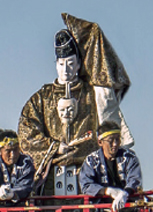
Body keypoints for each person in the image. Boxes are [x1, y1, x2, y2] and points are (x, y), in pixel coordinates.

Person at [19, 15, 133, 196]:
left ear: (79, 64)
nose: (66, 70)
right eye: (62, 64)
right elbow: (26, 131)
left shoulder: (94, 94)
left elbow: (108, 128)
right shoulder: (42, 98)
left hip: (89, 176)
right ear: (56, 64)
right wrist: (54, 147)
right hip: (51, 178)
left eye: (71, 64)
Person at [78, 122, 142, 212]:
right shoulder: (91, 160)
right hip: (100, 208)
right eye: (111, 140)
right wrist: (108, 191)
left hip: (127, 204)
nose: (115, 144)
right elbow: (86, 185)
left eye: (117, 139)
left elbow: (135, 179)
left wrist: (125, 193)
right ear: (100, 142)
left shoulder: (129, 157)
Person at [0, 131, 37, 207]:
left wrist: (13, 193)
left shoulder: (25, 162)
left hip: (20, 207)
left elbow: (26, 186)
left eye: (15, 150)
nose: (12, 155)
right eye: (8, 151)